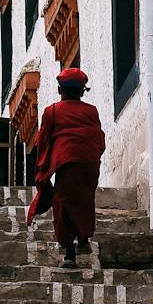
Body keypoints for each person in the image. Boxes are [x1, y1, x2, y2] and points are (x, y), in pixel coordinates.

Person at [29, 68, 107, 268]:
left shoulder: (52, 111)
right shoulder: (92, 111)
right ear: (82, 92)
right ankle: (83, 239)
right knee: (85, 200)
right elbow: (98, 137)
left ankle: (69, 252)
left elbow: (44, 141)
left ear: (59, 89)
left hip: (67, 162)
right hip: (89, 163)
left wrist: (42, 170)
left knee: (62, 204)